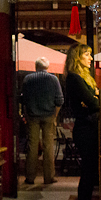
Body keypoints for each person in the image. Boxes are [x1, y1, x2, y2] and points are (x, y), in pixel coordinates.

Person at [64, 43, 100, 200]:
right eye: (87, 54)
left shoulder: (83, 77)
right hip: (85, 129)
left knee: (90, 172)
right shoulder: (74, 78)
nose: (91, 58)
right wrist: (95, 98)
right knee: (88, 172)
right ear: (77, 57)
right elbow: (92, 103)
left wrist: (94, 98)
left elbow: (93, 101)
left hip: (88, 127)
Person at [21, 57, 64, 185]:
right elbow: (60, 100)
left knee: (32, 146)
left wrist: (26, 113)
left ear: (36, 67)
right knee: (48, 145)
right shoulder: (53, 79)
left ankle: (30, 177)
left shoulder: (28, 79)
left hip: (33, 116)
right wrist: (55, 114)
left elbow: (23, 99)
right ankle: (49, 176)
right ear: (47, 67)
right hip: (49, 115)